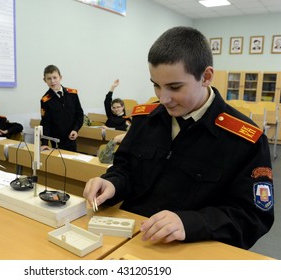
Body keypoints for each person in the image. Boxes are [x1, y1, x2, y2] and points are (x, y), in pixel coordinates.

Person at [83, 26, 274, 250]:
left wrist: (190, 223)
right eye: (156, 85)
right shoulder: (145, 118)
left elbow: (253, 216)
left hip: (191, 249)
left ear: (206, 77)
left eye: (174, 87)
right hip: (131, 240)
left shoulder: (244, 139)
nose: (163, 98)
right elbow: (125, 168)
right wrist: (112, 183)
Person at [40, 65, 84, 152]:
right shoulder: (45, 100)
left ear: (60, 77)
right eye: (49, 78)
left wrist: (75, 129)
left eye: (55, 77)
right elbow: (45, 123)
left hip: (71, 138)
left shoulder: (72, 94)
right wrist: (44, 143)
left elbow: (79, 115)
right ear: (45, 80)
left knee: (72, 163)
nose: (52, 81)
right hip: (56, 141)